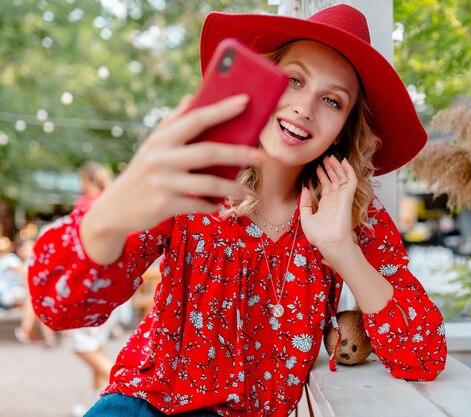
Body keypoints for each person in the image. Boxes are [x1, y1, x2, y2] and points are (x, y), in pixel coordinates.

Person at [28, 5, 446, 417]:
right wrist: (110, 215)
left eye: (333, 101)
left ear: (344, 130)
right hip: (147, 406)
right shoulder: (198, 179)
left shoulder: (353, 213)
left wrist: (341, 249)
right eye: (293, 80)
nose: (304, 107)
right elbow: (59, 308)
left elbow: (424, 356)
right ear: (263, 85)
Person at [66, 161, 122, 416]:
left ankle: (123, 393)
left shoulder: (87, 205)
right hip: (113, 288)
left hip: (90, 289)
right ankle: (97, 404)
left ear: (85, 180)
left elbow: (77, 249)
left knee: (84, 347)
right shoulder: (111, 202)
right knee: (95, 347)